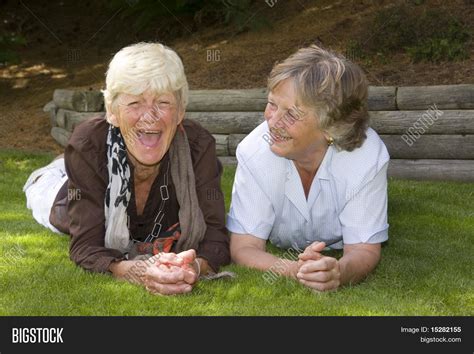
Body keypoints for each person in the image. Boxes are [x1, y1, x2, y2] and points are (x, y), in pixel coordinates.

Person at [24, 42, 230, 295]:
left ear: (180, 112)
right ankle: (58, 168)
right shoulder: (88, 144)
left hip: (95, 163)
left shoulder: (198, 146)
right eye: (135, 103)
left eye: (163, 103)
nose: (150, 116)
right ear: (112, 111)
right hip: (60, 194)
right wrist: (136, 272)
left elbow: (216, 237)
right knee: (40, 191)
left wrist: (194, 268)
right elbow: (85, 246)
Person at [227, 45, 390, 291]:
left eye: (291, 114)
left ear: (331, 126)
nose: (273, 121)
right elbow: (244, 246)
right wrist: (297, 271)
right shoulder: (253, 152)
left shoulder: (366, 157)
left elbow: (364, 249)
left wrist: (339, 272)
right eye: (272, 104)